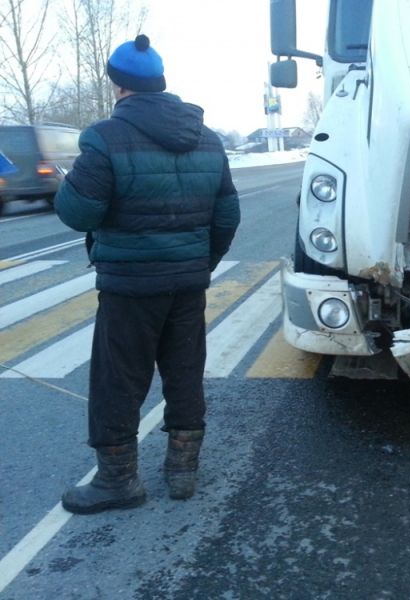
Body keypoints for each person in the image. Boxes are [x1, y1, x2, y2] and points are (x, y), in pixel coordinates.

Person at [55, 34, 240, 514]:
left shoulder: (104, 137)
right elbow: (227, 217)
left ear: (119, 86)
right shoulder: (207, 137)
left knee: (118, 381)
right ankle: (182, 473)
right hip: (187, 282)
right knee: (184, 373)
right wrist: (200, 263)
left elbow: (78, 213)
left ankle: (118, 482)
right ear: (160, 83)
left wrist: (71, 181)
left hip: (130, 287)